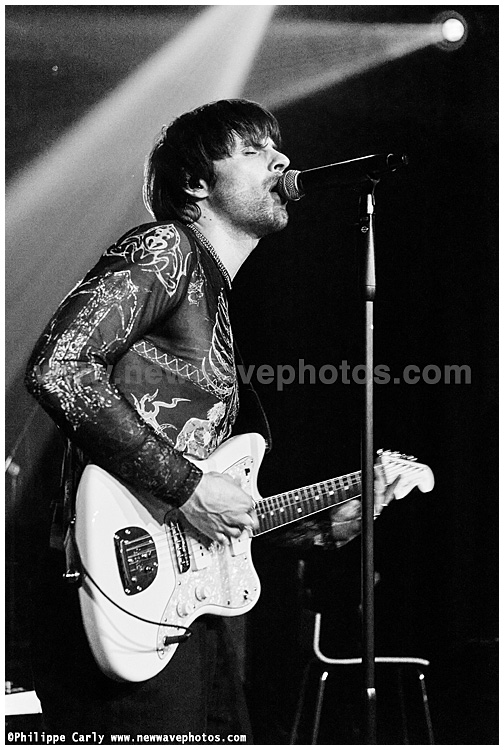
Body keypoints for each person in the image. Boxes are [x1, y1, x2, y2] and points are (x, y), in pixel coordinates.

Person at [25, 99, 392, 743]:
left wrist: (306, 529)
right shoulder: (165, 249)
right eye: (254, 149)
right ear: (196, 183)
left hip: (191, 605)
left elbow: (205, 506)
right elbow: (60, 367)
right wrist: (190, 487)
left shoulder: (216, 297)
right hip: (120, 583)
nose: (281, 158)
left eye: (276, 146)